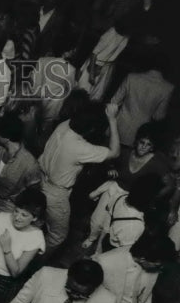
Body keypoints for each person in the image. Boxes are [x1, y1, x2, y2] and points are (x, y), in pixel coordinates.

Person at [37, 103, 120, 252]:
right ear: (92, 128)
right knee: (57, 236)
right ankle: (32, 264)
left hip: (39, 179)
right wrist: (112, 120)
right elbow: (115, 152)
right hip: (55, 194)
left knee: (37, 221)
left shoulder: (64, 125)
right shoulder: (79, 147)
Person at [83, 172, 166, 254]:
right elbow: (122, 254)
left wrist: (99, 247)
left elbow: (106, 225)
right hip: (113, 250)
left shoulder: (119, 196)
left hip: (106, 240)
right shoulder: (135, 226)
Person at [109, 54, 174, 150]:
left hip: (118, 126)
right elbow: (158, 116)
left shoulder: (131, 77)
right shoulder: (168, 88)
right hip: (140, 134)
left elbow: (114, 101)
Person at [76, 21, 129, 101]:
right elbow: (94, 53)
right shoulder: (111, 33)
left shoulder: (127, 37)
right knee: (82, 92)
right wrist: (91, 74)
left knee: (96, 96)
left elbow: (116, 55)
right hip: (94, 65)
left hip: (106, 68)